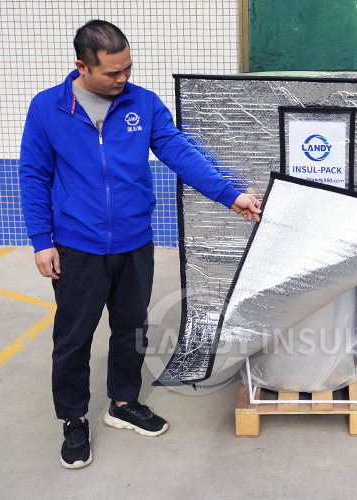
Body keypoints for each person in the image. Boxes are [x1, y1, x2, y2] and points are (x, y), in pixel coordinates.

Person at [19, 20, 260, 469]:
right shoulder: (47, 108)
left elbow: (180, 152)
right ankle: (73, 418)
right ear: (82, 66)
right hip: (76, 244)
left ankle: (123, 403)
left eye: (128, 68)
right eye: (112, 72)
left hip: (133, 241)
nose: (123, 78)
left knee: (132, 328)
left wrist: (231, 195)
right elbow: (34, 175)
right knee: (73, 336)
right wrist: (40, 240)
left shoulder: (143, 103)